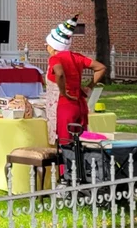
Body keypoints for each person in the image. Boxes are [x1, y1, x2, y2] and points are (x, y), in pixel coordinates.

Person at [45, 16, 106, 144]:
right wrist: (89, 86)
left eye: (47, 45)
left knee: (65, 142)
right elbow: (101, 68)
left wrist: (63, 91)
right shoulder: (77, 57)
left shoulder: (55, 58)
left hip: (63, 105)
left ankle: (65, 158)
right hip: (79, 104)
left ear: (53, 47)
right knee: (80, 142)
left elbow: (59, 73)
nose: (46, 47)